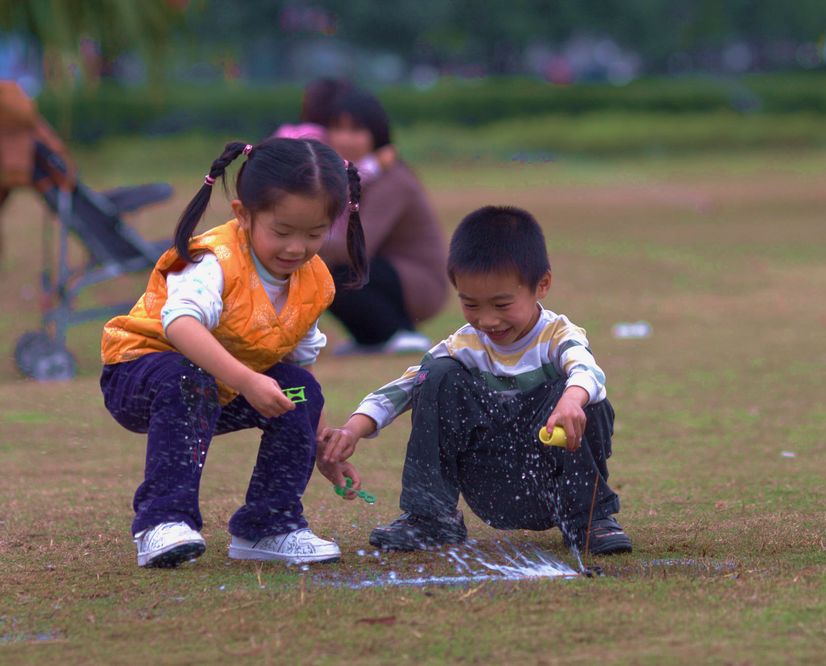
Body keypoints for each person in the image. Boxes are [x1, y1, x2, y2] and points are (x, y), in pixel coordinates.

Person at [100, 138, 368, 568]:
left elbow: (298, 364)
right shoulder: (215, 259)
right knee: (188, 377)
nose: (297, 248)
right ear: (243, 214)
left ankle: (268, 526)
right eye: (282, 232)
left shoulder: (313, 280)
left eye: (314, 234)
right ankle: (162, 522)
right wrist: (246, 380)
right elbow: (180, 325)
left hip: (220, 388)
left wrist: (320, 444)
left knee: (300, 390)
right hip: (141, 376)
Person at [321, 205, 632, 555]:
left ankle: (590, 519)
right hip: (493, 479)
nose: (486, 320)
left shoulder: (559, 335)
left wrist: (571, 400)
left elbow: (586, 369)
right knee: (435, 375)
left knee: (585, 395)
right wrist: (352, 429)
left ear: (542, 285)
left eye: (501, 305)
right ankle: (431, 517)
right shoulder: (463, 345)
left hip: (554, 478)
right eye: (471, 304)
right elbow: (404, 387)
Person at [319, 86, 448, 355]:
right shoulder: (354, 175)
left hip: (417, 282)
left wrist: (300, 242)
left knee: (336, 274)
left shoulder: (392, 179)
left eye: (355, 130)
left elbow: (354, 246)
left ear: (376, 135)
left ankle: (396, 332)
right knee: (325, 274)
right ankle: (369, 338)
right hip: (383, 272)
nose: (344, 138)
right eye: (337, 129)